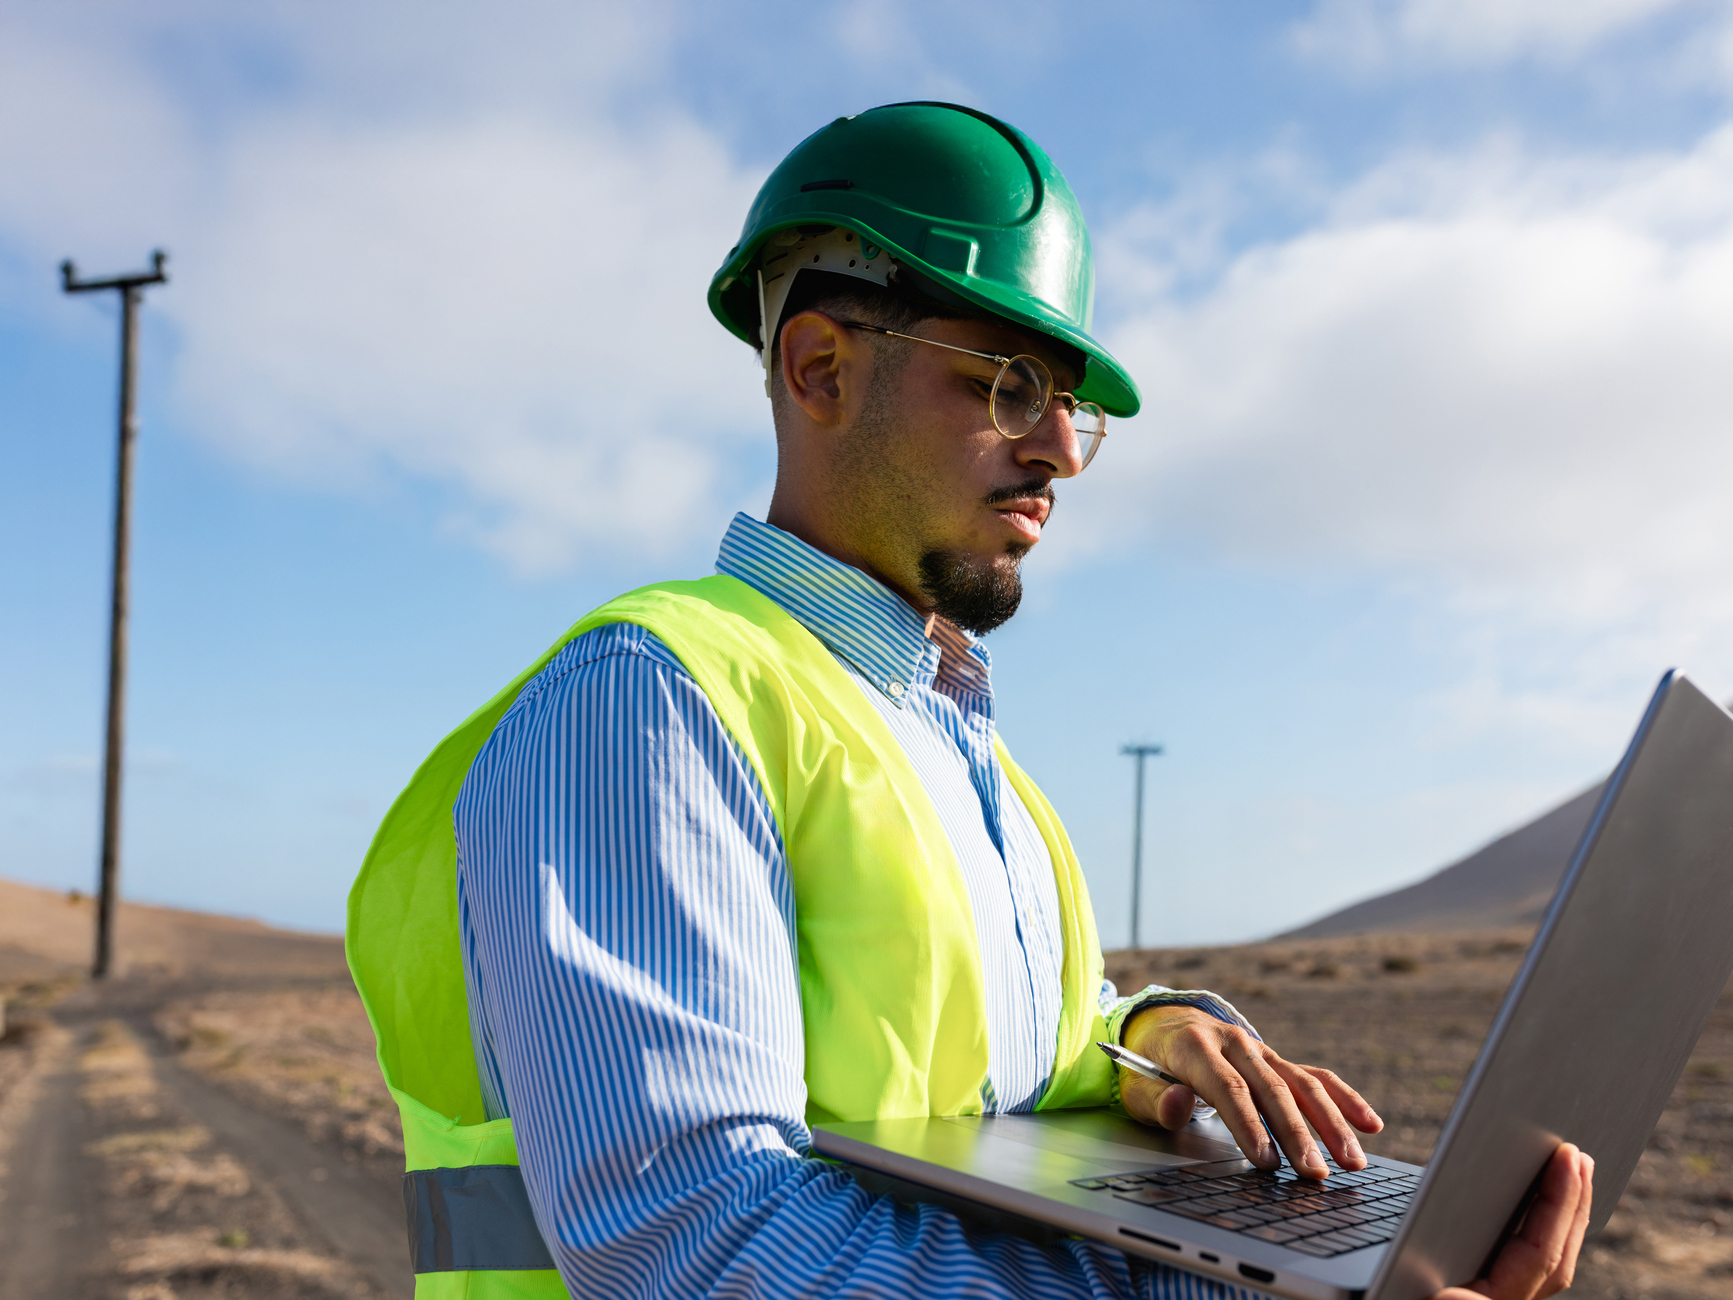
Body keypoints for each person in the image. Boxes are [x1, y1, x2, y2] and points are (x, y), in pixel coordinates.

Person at [348, 102, 1593, 1299]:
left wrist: (1148, 1035)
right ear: (819, 366)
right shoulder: (650, 705)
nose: (1058, 446)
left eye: (1072, 407)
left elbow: (991, 1053)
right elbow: (694, 1243)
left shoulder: (965, 760)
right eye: (1007, 383)